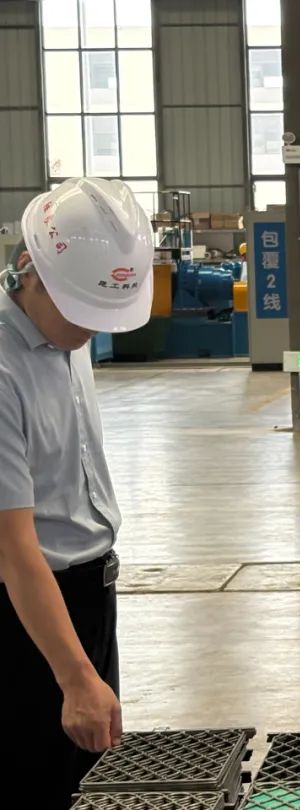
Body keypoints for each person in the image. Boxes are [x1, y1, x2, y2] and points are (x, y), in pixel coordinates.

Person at [0, 178, 155, 809]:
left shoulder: (68, 334)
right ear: (27, 271)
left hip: (90, 596)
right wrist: (75, 675)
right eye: (80, 309)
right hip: (26, 614)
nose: (92, 328)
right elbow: (14, 550)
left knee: (87, 785)